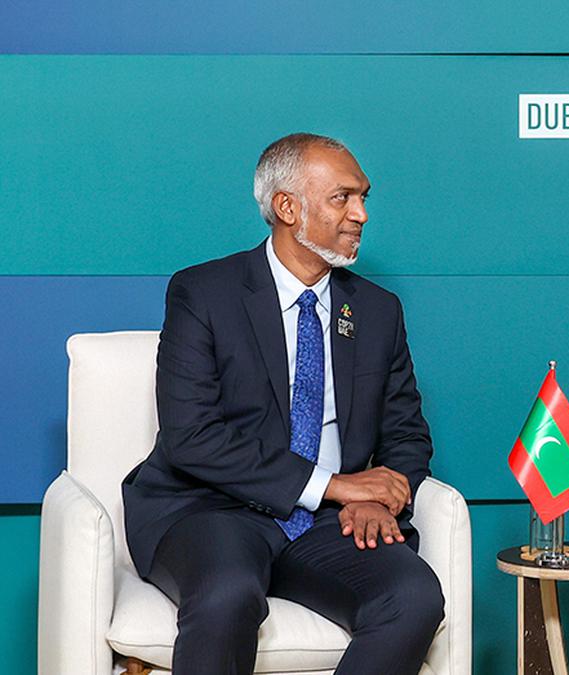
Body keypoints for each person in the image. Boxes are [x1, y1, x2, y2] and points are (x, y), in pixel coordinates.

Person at [122, 133, 444, 675]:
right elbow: (191, 437)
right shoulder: (204, 293)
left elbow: (407, 435)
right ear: (287, 208)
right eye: (342, 198)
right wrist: (335, 485)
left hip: (326, 523)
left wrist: (380, 499)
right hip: (212, 509)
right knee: (227, 594)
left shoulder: (377, 310)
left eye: (363, 197)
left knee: (414, 597)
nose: (361, 214)